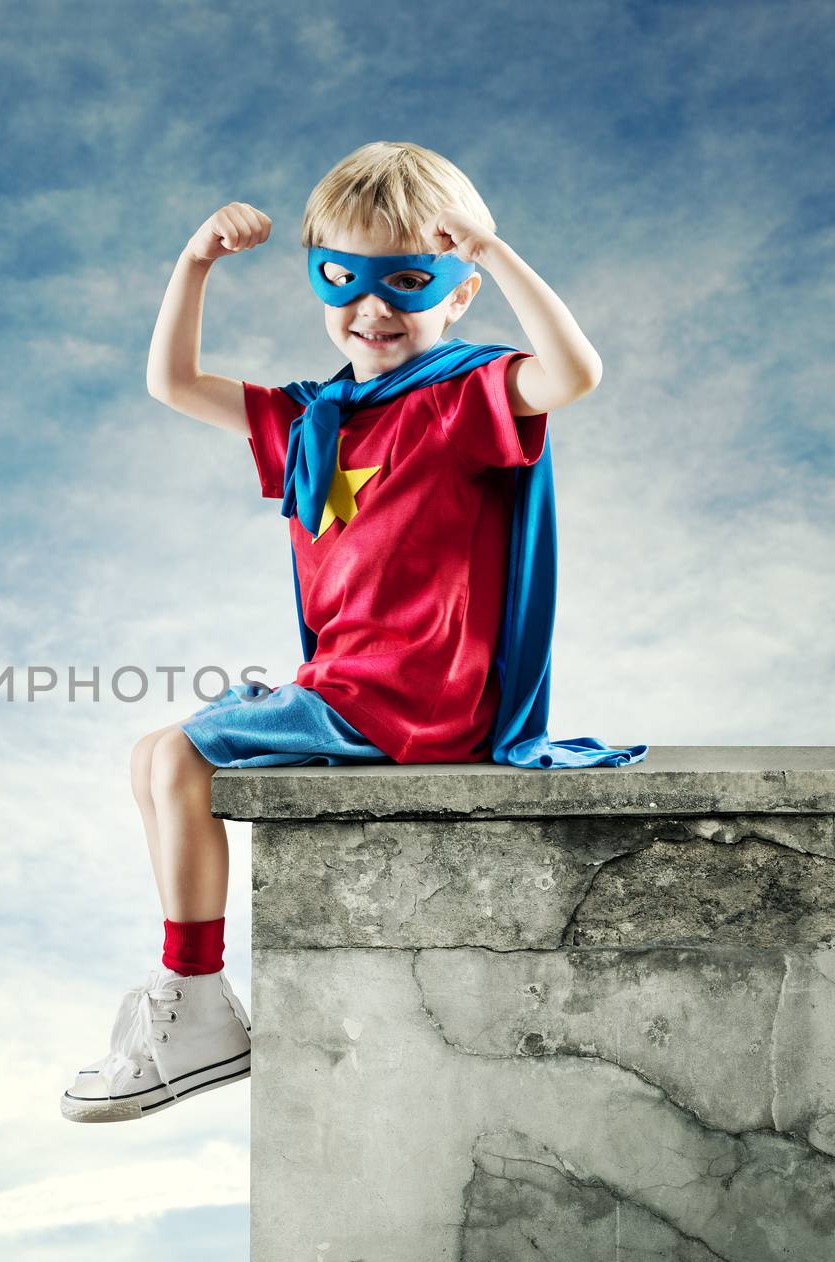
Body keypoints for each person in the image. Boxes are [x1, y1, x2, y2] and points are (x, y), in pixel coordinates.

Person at [59, 140, 646, 1125]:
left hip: (416, 693)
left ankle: (198, 1006)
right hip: (347, 680)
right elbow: (171, 382)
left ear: (454, 294)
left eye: (408, 282)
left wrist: (498, 254)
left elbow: (572, 373)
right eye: (343, 278)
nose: (371, 309)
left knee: (171, 757)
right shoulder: (311, 418)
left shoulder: (463, 399)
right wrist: (191, 263)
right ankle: (194, 997)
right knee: (149, 759)